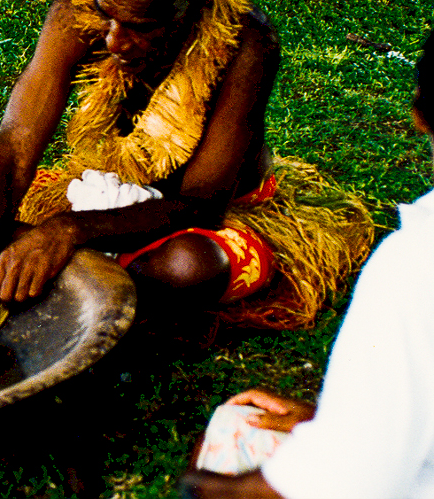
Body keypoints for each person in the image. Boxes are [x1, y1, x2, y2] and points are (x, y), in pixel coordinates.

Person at [0, 0, 371, 401]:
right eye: (108, 17)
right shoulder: (82, 7)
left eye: (139, 26)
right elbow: (14, 147)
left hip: (198, 220)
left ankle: (44, 270)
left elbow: (201, 204)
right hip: (94, 188)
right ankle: (77, 278)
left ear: (187, 10)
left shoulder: (245, 41)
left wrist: (68, 231)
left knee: (190, 268)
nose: (113, 40)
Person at [178, 32, 434, 498]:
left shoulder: (417, 264)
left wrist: (202, 491)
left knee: (227, 439)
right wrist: (339, 422)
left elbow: (358, 479)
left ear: (419, 115)